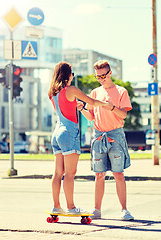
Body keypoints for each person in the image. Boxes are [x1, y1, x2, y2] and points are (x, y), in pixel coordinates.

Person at [48, 62, 109, 215]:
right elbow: (92, 102)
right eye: (72, 73)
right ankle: (71, 207)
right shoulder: (72, 89)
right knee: (70, 173)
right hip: (69, 133)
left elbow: (64, 108)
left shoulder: (52, 92)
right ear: (68, 75)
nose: (73, 76)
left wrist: (75, 105)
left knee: (57, 173)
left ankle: (56, 206)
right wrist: (107, 104)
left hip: (57, 133)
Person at [78, 60, 134, 220]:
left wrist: (111, 107)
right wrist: (82, 109)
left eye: (103, 75)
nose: (101, 79)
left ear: (110, 73)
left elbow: (124, 115)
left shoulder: (121, 91)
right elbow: (91, 117)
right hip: (98, 135)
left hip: (115, 135)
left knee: (118, 174)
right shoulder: (95, 93)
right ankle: (97, 209)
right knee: (99, 174)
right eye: (97, 77)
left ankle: (124, 210)